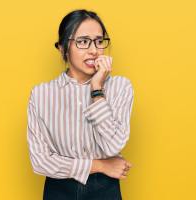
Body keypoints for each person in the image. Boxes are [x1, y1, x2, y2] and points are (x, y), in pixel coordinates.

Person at [27, 9, 134, 200]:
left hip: (105, 190)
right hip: (58, 189)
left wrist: (97, 89)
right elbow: (40, 161)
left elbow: (113, 145)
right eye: (83, 42)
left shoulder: (120, 87)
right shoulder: (41, 95)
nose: (94, 50)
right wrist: (101, 165)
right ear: (62, 48)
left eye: (99, 41)